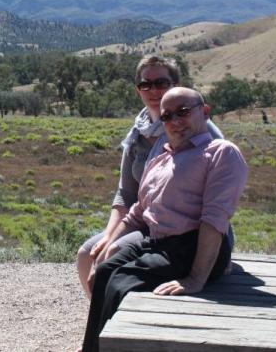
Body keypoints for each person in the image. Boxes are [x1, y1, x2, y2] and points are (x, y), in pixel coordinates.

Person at [79, 87, 249, 352]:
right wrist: (105, 248)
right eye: (167, 117)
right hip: (158, 242)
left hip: (193, 248)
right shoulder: (161, 158)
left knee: (121, 281)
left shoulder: (221, 153)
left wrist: (195, 279)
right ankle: (93, 348)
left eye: (183, 112)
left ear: (204, 112)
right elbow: (137, 212)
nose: (175, 121)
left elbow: (214, 219)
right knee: (103, 272)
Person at [76, 55, 223, 297]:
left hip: (178, 228)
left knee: (116, 253)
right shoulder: (136, 134)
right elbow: (125, 193)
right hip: (138, 220)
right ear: (138, 90)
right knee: (86, 254)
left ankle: (117, 321)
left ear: (176, 85)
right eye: (146, 85)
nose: (153, 91)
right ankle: (100, 317)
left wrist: (113, 241)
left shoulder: (197, 129)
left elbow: (218, 194)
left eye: (161, 83)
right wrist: (109, 233)